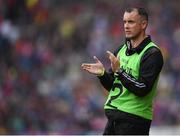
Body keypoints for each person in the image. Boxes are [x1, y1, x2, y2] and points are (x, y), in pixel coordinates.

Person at [81, 7, 163, 135]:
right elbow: (113, 86)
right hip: (114, 119)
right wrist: (102, 74)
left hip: (134, 121)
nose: (126, 26)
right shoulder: (121, 50)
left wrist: (120, 71)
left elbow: (143, 88)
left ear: (143, 24)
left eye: (131, 22)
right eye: (124, 22)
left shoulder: (152, 53)